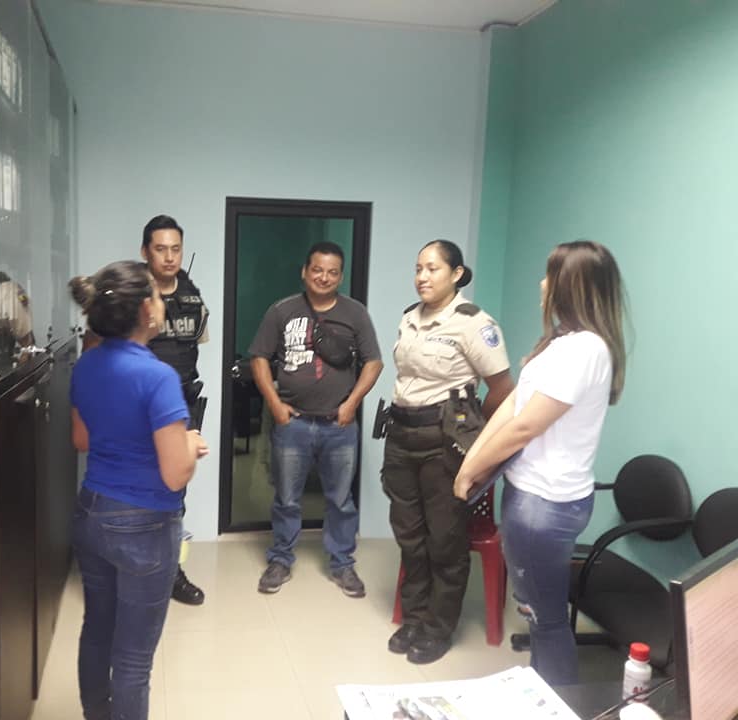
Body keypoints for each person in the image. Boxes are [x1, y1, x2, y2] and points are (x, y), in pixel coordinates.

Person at [453, 240, 626, 686]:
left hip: (543, 506)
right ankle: (543, 696)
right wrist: (472, 458)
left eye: (550, 275)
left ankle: (557, 705)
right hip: (537, 497)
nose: (542, 283)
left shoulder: (585, 349)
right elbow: (514, 403)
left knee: (546, 622)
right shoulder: (563, 342)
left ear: (571, 286)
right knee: (539, 617)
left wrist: (471, 471)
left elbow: (525, 427)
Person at [68, 261, 209, 720]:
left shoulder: (87, 364)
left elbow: (81, 440)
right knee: (132, 660)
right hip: (144, 526)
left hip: (91, 513)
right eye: (157, 295)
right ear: (147, 310)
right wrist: (190, 443)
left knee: (96, 629)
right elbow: (175, 475)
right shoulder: (158, 377)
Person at [381, 240, 513, 665]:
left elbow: (502, 389)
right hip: (401, 434)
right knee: (409, 534)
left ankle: (438, 628)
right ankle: (414, 618)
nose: (422, 276)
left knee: (445, 538)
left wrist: (473, 431)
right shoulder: (409, 317)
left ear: (456, 274)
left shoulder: (473, 323)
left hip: (444, 440)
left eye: (432, 268)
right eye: (418, 268)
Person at [249, 241, 383, 597]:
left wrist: (352, 402)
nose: (324, 277)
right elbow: (258, 358)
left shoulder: (355, 313)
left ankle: (342, 563)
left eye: (332, 272)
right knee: (286, 498)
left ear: (341, 276)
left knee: (340, 500)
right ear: (305, 272)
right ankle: (281, 559)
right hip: (292, 424)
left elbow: (374, 362)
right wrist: (275, 404)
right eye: (317, 270)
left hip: (339, 425)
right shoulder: (281, 311)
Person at [140, 214, 210, 606]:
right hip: (137, 411)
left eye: (176, 249)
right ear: (145, 252)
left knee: (174, 494)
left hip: (180, 409)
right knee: (134, 493)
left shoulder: (193, 296)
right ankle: (135, 574)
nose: (169, 257)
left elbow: (197, 345)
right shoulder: (132, 295)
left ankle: (170, 573)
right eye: (160, 249)